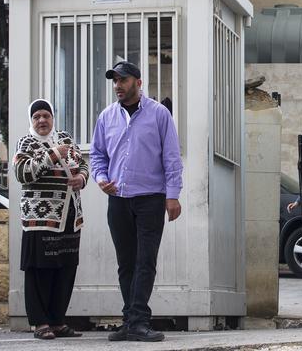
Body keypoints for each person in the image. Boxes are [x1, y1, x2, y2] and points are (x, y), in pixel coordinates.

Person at [90, 61, 183, 343]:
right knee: (125, 263)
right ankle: (130, 320)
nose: (118, 85)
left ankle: (140, 320)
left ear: (138, 83)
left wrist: (173, 195)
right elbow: (97, 155)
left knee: (145, 261)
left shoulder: (159, 114)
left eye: (123, 80)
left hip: (151, 199)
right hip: (118, 200)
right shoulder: (106, 117)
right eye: (115, 81)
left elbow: (171, 157)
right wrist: (100, 178)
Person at [13, 99, 88, 340]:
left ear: (53, 118)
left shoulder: (65, 138)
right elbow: (23, 173)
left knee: (65, 268)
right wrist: (52, 155)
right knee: (40, 270)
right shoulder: (26, 143)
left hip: (69, 216)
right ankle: (40, 323)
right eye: (37, 117)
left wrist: (82, 179)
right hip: (40, 219)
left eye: (46, 116)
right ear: (31, 121)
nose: (42, 120)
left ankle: (57, 321)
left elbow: (83, 165)